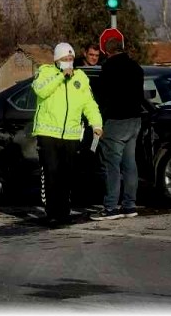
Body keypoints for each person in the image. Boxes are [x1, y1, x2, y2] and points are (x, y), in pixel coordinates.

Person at [32, 42, 103, 227]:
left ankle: (64, 212)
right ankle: (52, 212)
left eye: (71, 59)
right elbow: (40, 89)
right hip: (48, 133)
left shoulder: (80, 77)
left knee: (67, 175)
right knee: (51, 173)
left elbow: (89, 103)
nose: (69, 63)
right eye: (65, 59)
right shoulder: (45, 72)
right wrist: (60, 76)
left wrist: (96, 123)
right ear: (57, 60)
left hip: (71, 135)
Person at [90, 37, 146, 220]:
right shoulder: (136, 68)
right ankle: (130, 205)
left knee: (111, 165)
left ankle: (110, 207)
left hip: (115, 121)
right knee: (130, 163)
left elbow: (102, 97)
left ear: (107, 52)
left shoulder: (109, 69)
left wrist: (100, 120)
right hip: (135, 120)